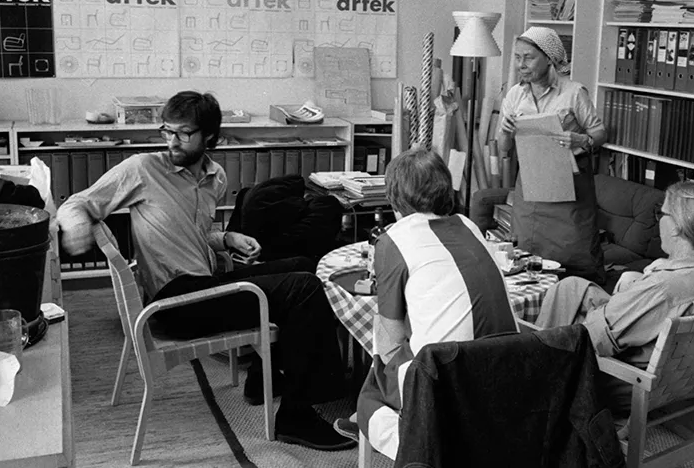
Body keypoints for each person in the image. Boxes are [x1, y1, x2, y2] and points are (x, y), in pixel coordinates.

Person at [57, 90, 354, 451]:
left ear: (210, 136)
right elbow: (76, 204)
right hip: (176, 303)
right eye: (167, 131)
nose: (172, 141)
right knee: (303, 288)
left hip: (205, 286)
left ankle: (265, 376)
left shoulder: (215, 177)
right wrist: (77, 228)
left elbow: (192, 234)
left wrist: (226, 238)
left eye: (184, 133)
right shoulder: (142, 169)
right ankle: (297, 414)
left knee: (303, 266)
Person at [338, 149, 519, 460]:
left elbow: (394, 334)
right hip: (507, 369)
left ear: (395, 198)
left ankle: (419, 446)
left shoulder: (392, 240)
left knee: (371, 387)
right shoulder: (469, 225)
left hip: (447, 385)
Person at [534, 181, 694, 413]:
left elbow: (594, 339)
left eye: (661, 214)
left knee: (560, 329)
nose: (658, 221)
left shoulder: (663, 287)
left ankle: (537, 390)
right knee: (571, 287)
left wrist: (619, 301)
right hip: (685, 378)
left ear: (678, 226)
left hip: (632, 385)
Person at [497, 26, 607, 284]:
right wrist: (505, 132)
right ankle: (534, 292)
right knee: (527, 246)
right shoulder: (514, 95)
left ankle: (578, 294)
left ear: (549, 58)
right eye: (517, 57)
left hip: (570, 181)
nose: (521, 65)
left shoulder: (573, 93)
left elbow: (600, 133)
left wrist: (582, 139)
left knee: (575, 248)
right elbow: (504, 148)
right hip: (531, 182)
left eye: (528, 57)